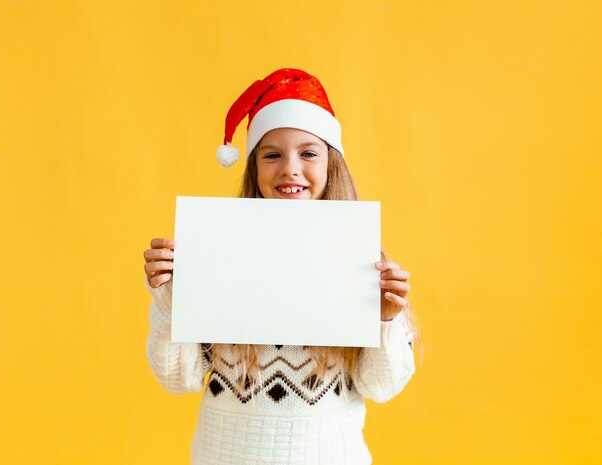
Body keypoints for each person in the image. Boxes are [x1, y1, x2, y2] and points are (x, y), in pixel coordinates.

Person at [143, 68, 418, 465]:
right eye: (272, 154)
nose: (289, 168)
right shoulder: (218, 250)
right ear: (255, 168)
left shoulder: (362, 257)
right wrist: (171, 299)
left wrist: (386, 320)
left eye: (308, 152)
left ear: (331, 165)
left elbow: (381, 386)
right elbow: (177, 379)